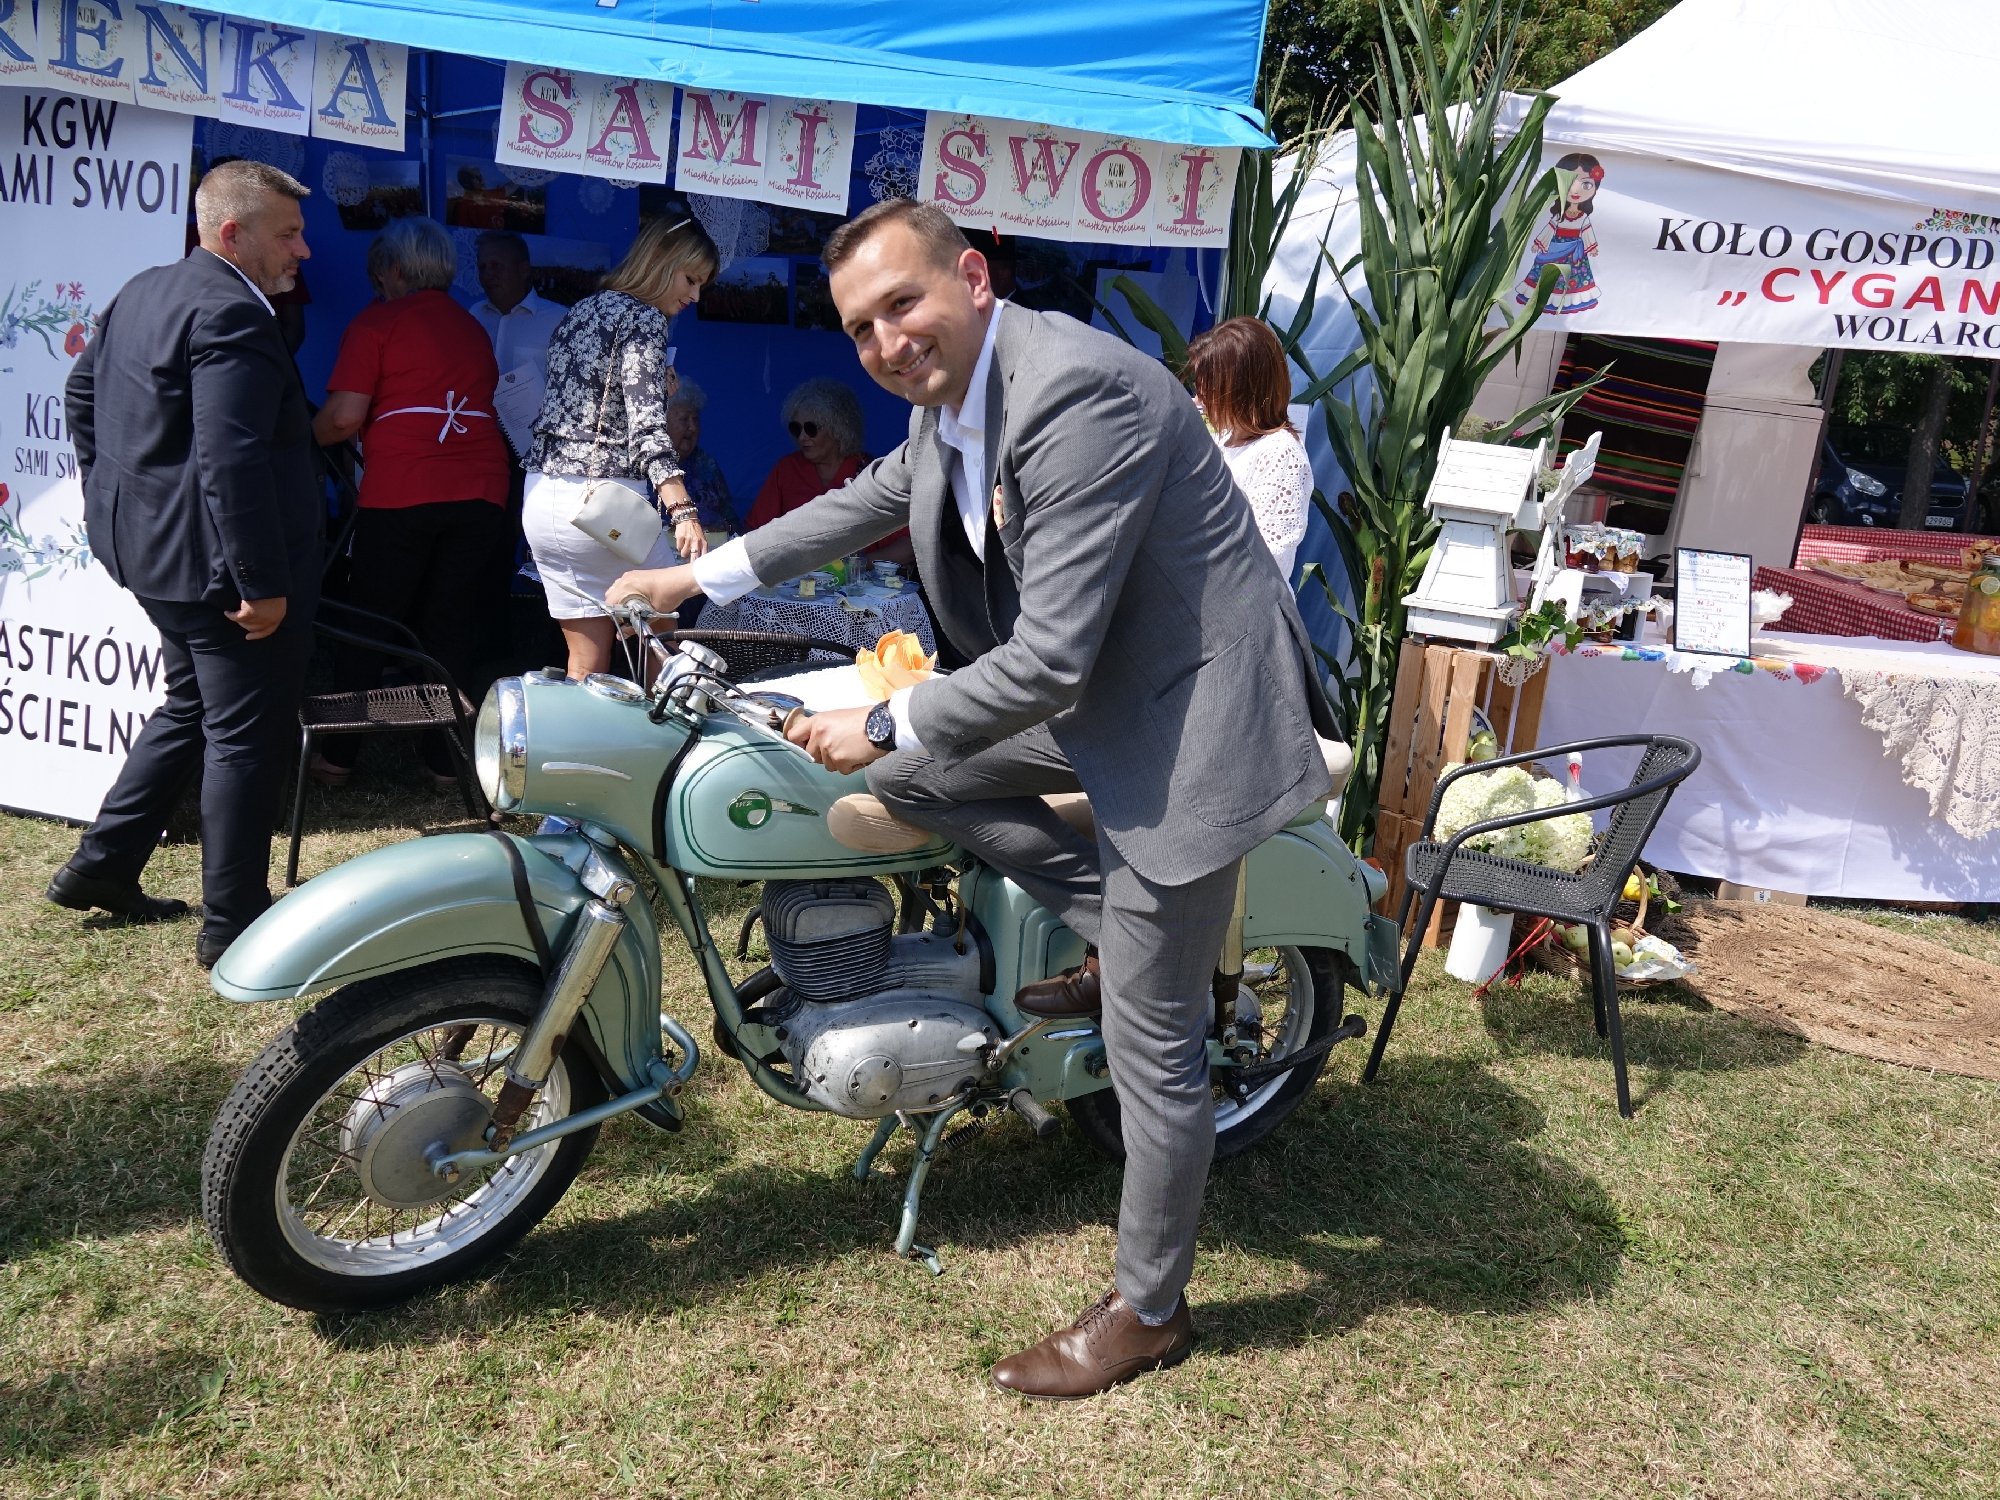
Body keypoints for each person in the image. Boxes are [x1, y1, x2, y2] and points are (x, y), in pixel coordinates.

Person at [609, 199, 1339, 1400]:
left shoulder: (1071, 392)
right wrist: (696, 577)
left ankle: (1148, 1311)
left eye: (902, 303)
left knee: (1153, 1048)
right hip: (1105, 693)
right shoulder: (951, 401)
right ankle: (1108, 932)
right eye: (860, 327)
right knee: (917, 777)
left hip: (1191, 718)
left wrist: (880, 717)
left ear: (973, 277)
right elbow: (862, 501)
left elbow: (1048, 656)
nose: (885, 341)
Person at [48, 160, 321, 969]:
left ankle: (102, 864)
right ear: (232, 233)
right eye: (288, 234)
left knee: (191, 706)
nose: (303, 250)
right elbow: (231, 457)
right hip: (219, 575)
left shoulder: (145, 288)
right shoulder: (231, 311)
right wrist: (259, 583)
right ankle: (233, 922)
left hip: (156, 555)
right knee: (244, 735)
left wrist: (117, 498)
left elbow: (80, 397)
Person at [310, 216, 512, 788]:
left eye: (379, 275)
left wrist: (299, 439)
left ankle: (337, 757)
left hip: (404, 489)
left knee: (371, 618)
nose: (377, 285)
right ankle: (446, 762)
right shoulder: (472, 329)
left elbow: (343, 417)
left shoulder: (377, 321)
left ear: (395, 270)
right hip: (480, 490)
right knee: (450, 622)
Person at [522, 215, 717, 679]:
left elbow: (586, 400)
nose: (694, 296)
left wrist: (655, 389)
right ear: (660, 261)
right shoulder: (645, 318)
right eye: (690, 279)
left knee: (585, 664)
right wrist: (682, 509)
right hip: (604, 504)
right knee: (663, 647)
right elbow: (648, 428)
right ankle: (660, 728)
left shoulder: (582, 309)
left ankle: (579, 729)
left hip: (544, 498)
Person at [1184, 316, 1313, 584]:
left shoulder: (1281, 454)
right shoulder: (1224, 437)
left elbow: (1268, 558)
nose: (1198, 400)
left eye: (1209, 390)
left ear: (1241, 390)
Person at [743, 377, 871, 529]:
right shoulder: (786, 469)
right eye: (796, 428)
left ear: (838, 428)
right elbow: (755, 529)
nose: (802, 437)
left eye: (811, 428)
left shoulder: (868, 472)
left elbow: (895, 536)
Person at [469, 229, 561, 388]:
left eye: (496, 265)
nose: (488, 274)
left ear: (523, 270)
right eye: (482, 267)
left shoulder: (558, 321)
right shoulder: (474, 316)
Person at [666, 377, 737, 540]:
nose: (692, 427)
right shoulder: (647, 463)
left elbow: (730, 518)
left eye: (696, 419)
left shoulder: (706, 464)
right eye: (684, 419)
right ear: (663, 422)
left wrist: (724, 527)